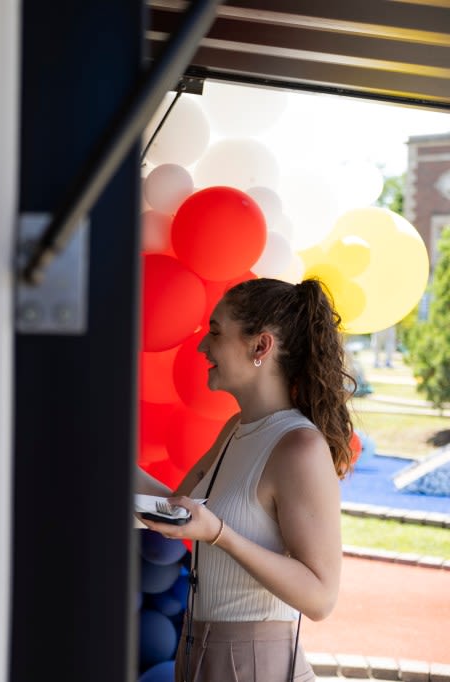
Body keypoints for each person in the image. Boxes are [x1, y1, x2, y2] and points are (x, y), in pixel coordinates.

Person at [135, 277, 356, 682]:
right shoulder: (238, 427)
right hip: (198, 651)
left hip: (254, 663)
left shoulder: (299, 447)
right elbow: (176, 506)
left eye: (216, 332)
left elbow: (321, 597)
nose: (203, 346)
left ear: (261, 346)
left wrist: (220, 534)